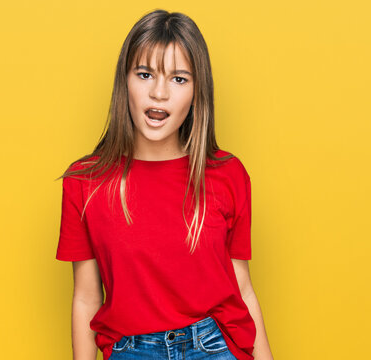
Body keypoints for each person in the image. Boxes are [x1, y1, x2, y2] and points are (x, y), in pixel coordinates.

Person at [55, 9, 274, 360]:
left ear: (197, 92)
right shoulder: (85, 182)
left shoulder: (227, 175)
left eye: (179, 79)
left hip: (215, 346)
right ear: (124, 81)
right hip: (131, 350)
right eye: (145, 74)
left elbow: (243, 288)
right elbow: (85, 298)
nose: (159, 93)